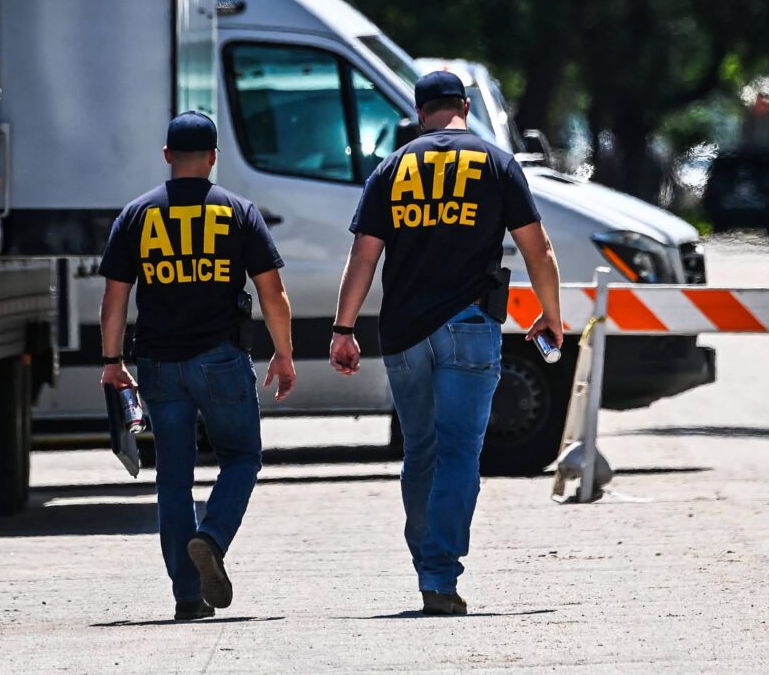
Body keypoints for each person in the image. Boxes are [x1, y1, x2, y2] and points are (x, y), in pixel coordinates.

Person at [329, 71, 563, 615]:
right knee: (459, 451)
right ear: (463, 106)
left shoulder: (391, 168)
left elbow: (364, 256)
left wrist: (343, 329)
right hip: (469, 326)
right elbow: (539, 249)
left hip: (404, 332)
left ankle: (425, 563)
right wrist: (551, 315)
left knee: (421, 450)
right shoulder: (496, 163)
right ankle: (439, 572)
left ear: (418, 111)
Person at [99, 111, 295, 621]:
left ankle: (188, 596)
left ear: (167, 156)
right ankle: (212, 537)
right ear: (212, 158)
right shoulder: (238, 212)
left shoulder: (137, 215)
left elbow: (115, 298)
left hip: (159, 363)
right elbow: (271, 292)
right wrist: (284, 352)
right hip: (222, 360)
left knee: (173, 479)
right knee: (242, 457)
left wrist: (111, 362)